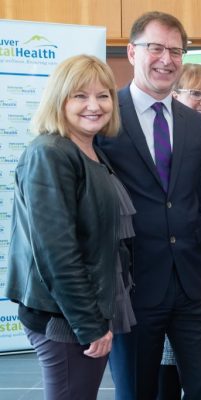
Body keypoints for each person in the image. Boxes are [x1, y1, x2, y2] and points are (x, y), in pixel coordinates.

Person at [96, 11, 201, 400]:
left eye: (176, 50)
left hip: (193, 288)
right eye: (156, 48)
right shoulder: (105, 117)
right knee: (136, 391)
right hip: (132, 289)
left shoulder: (194, 124)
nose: (166, 59)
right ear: (132, 52)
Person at [5, 54, 133, 399]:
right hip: (65, 319)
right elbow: (56, 252)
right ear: (59, 100)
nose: (94, 105)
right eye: (80, 95)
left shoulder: (88, 150)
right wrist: (90, 324)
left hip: (83, 312)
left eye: (103, 95)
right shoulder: (50, 153)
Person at [158, 62, 201, 400]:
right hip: (165, 279)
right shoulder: (161, 143)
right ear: (174, 94)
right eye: (196, 93)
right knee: (164, 381)